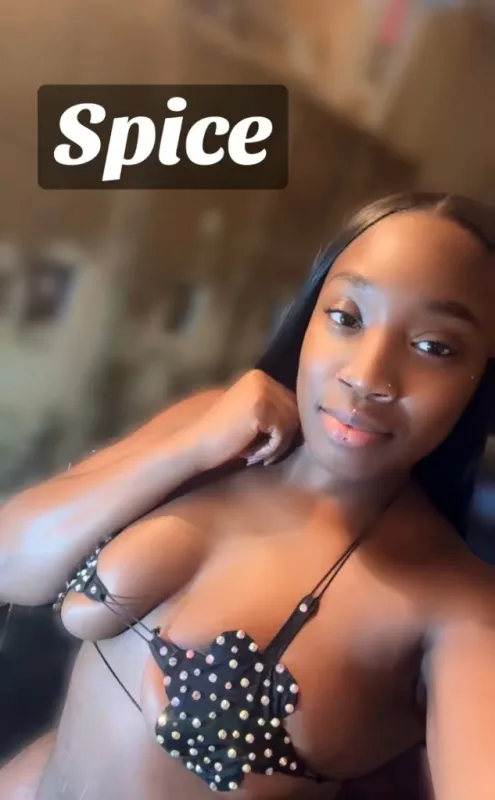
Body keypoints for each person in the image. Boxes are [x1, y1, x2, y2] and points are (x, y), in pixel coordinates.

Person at [0, 190, 494, 800]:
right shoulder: (217, 429)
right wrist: (190, 447)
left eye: (434, 347)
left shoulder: (455, 605)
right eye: (346, 317)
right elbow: (11, 564)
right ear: (310, 316)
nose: (367, 377)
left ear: (481, 375)